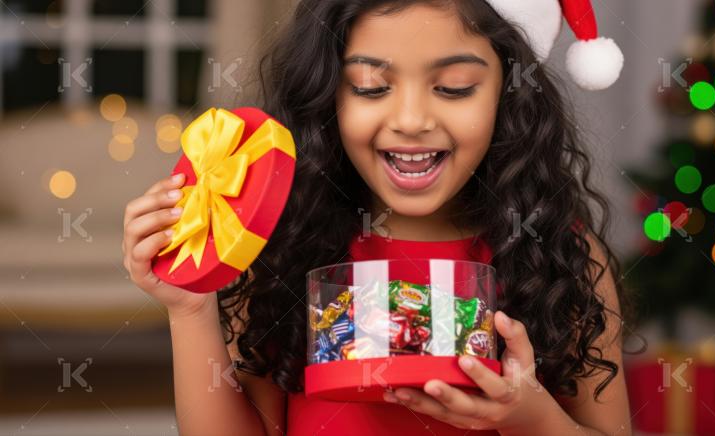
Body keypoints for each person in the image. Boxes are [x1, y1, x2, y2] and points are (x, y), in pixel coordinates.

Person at [122, 1, 635, 434]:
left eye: (454, 87)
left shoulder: (560, 255)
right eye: (370, 87)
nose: (411, 120)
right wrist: (190, 312)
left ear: (509, 93)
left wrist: (530, 415)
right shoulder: (280, 244)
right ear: (328, 96)